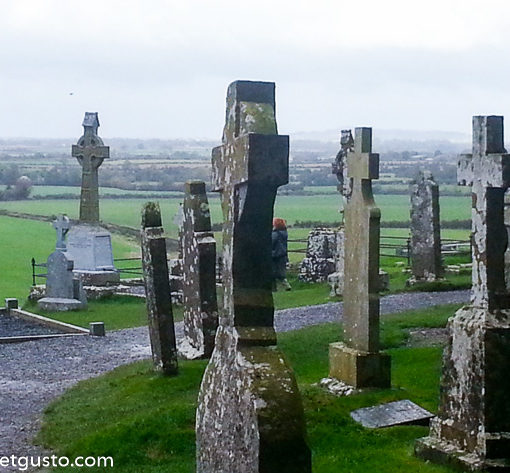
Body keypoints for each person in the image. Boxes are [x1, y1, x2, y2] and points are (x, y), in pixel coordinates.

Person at [271, 218, 291, 291]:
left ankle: (273, 288)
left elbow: (271, 243)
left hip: (274, 255)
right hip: (282, 255)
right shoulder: (284, 233)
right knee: (281, 272)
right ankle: (286, 285)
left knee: (272, 273)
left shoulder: (275, 234)